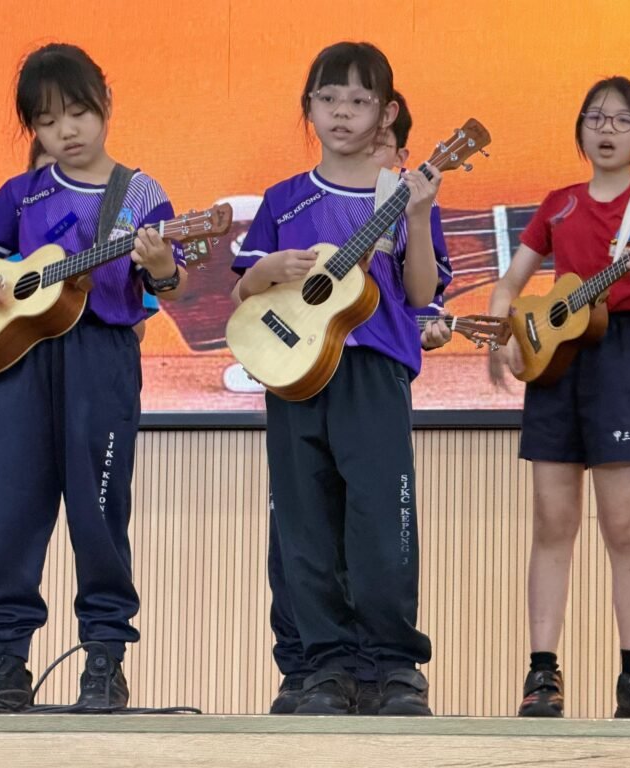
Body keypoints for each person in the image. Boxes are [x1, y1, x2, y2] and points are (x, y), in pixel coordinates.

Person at [0, 43, 187, 711]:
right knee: (10, 514)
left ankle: (104, 663)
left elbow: (171, 286)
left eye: (78, 113)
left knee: (99, 513)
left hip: (100, 360)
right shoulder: (24, 191)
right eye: (48, 121)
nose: (67, 131)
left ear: (105, 105)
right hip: (20, 365)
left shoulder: (140, 194)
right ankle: (6, 665)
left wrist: (162, 265)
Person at [231, 41, 450, 716]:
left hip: (374, 371)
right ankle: (324, 665)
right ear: (309, 108)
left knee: (381, 520)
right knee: (304, 526)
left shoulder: (403, 196)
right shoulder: (284, 199)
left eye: (359, 100)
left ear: (387, 113)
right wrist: (268, 270)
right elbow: (243, 293)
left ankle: (392, 666)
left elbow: (421, 294)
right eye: (328, 99)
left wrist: (418, 216)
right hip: (295, 373)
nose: (342, 112)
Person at [488, 76, 630, 718]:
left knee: (624, 525)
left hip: (621, 356)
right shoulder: (559, 204)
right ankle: (542, 673)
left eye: (622, 120)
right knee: (552, 520)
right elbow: (511, 282)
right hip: (555, 361)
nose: (607, 129)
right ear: (579, 128)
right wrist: (506, 331)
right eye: (596, 117)